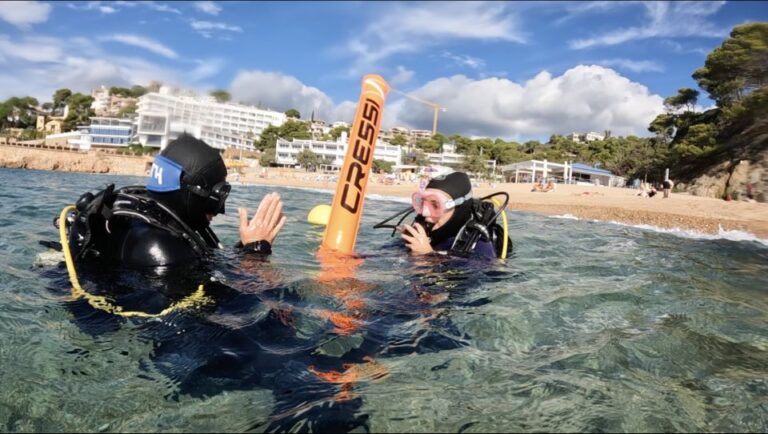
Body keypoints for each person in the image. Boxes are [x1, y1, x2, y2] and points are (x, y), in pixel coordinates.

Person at [62, 134, 286, 269]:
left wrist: (249, 244)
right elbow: (210, 325)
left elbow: (211, 262)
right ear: (193, 191)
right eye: (217, 196)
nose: (219, 210)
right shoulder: (162, 251)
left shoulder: (152, 220)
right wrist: (257, 253)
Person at [390, 171, 510, 259]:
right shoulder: (427, 227)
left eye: (435, 205)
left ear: (459, 207)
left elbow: (466, 286)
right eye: (422, 202)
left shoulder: (482, 246)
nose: (425, 213)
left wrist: (426, 256)